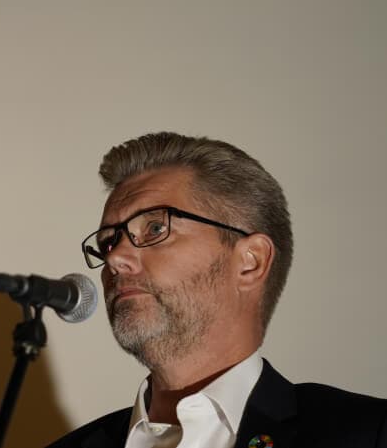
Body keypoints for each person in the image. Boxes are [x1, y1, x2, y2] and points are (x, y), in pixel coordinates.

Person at [47, 132, 386, 448]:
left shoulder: (368, 434)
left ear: (251, 262)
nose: (115, 257)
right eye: (108, 242)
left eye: (155, 228)